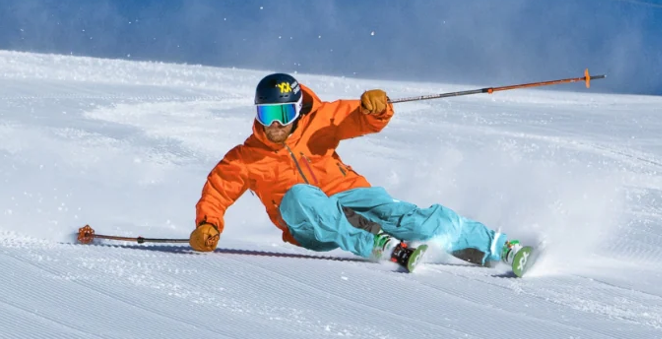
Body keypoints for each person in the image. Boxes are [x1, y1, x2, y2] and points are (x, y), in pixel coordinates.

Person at [190, 73, 534, 275]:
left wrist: (376, 107)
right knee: (299, 195)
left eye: (283, 112)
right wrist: (208, 225)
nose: (276, 124)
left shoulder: (321, 119)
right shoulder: (246, 157)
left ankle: (496, 246)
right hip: (308, 223)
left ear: (298, 110)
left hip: (350, 194)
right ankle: (378, 244)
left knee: (406, 217)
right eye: (267, 114)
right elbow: (218, 191)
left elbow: (357, 117)